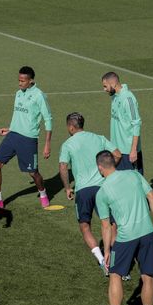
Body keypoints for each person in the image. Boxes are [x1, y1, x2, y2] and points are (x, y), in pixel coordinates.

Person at [95, 151, 153, 305]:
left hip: (125, 238)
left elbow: (106, 226)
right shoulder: (134, 174)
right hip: (147, 232)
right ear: (113, 163)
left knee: (115, 274)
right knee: (148, 276)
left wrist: (108, 251)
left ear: (100, 168)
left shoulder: (102, 192)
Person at [58, 112, 121, 273]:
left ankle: (102, 261)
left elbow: (63, 167)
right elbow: (117, 154)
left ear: (71, 127)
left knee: (85, 226)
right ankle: (115, 260)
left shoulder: (68, 144)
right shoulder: (98, 138)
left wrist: (67, 187)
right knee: (111, 224)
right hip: (103, 187)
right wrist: (108, 172)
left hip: (83, 191)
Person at [0, 66, 52, 210]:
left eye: (23, 81)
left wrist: (47, 143)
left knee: (33, 173)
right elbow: (19, 115)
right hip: (13, 136)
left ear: (31, 81)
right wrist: (10, 129)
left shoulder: (39, 96)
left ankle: (43, 193)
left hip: (28, 139)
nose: (20, 83)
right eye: (19, 80)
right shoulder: (18, 93)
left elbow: (48, 119)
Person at [102, 71, 144, 174]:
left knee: (134, 184)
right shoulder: (115, 96)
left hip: (128, 152)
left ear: (113, 84)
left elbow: (136, 124)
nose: (104, 89)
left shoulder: (128, 99)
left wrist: (133, 150)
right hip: (117, 150)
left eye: (105, 86)